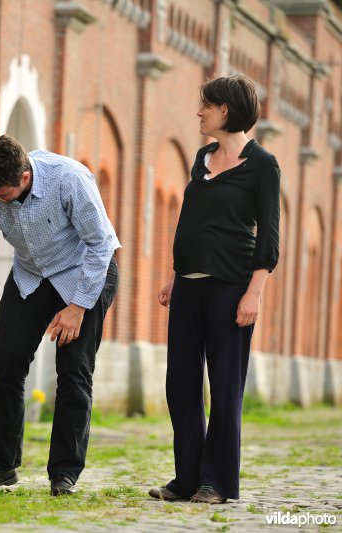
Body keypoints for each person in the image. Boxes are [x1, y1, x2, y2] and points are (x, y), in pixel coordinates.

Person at [0, 135, 120, 496]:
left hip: (86, 271)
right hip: (31, 275)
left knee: (73, 371)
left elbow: (101, 245)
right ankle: (2, 467)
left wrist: (78, 307)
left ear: (23, 178)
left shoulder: (68, 178)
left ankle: (64, 474)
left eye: (2, 195)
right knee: (5, 364)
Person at [149, 75, 280, 505]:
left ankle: (217, 483)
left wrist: (254, 292)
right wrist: (174, 274)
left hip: (231, 288)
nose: (199, 112)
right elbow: (191, 220)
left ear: (226, 110)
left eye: (206, 105)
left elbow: (268, 237)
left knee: (224, 388)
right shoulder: (203, 157)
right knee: (180, 384)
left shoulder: (263, 165)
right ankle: (186, 479)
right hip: (188, 286)